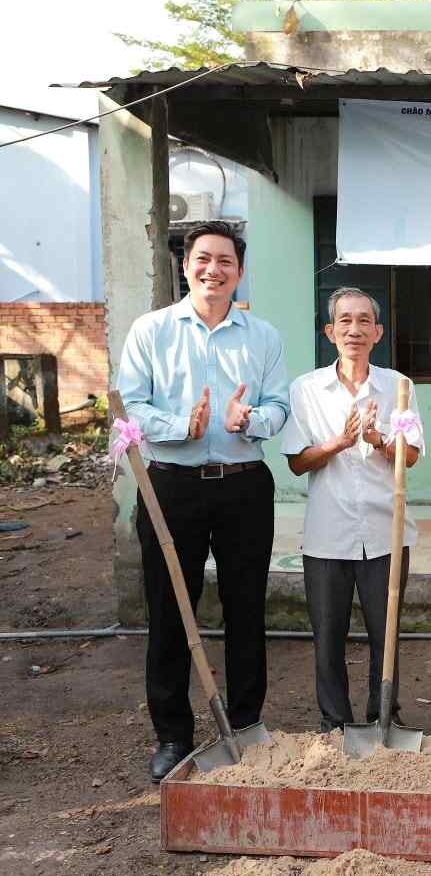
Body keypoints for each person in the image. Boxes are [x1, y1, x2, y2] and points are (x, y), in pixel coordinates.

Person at [116, 221, 289, 781]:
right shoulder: (152, 331)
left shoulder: (262, 336)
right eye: (203, 259)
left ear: (240, 271)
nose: (214, 270)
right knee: (170, 610)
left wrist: (252, 418)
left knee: (246, 608)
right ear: (186, 266)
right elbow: (129, 406)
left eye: (226, 262)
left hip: (243, 485)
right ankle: (172, 734)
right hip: (171, 484)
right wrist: (179, 427)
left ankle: (244, 726)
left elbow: (279, 405)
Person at [280, 287, 423, 735]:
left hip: (385, 530)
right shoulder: (306, 389)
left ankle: (385, 714)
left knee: (387, 632)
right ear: (330, 331)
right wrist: (340, 443)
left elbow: (413, 455)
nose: (354, 329)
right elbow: (297, 461)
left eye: (364, 321)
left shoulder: (399, 386)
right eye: (345, 321)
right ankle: (334, 721)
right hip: (328, 531)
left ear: (378, 332)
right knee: (328, 634)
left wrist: (379, 440)